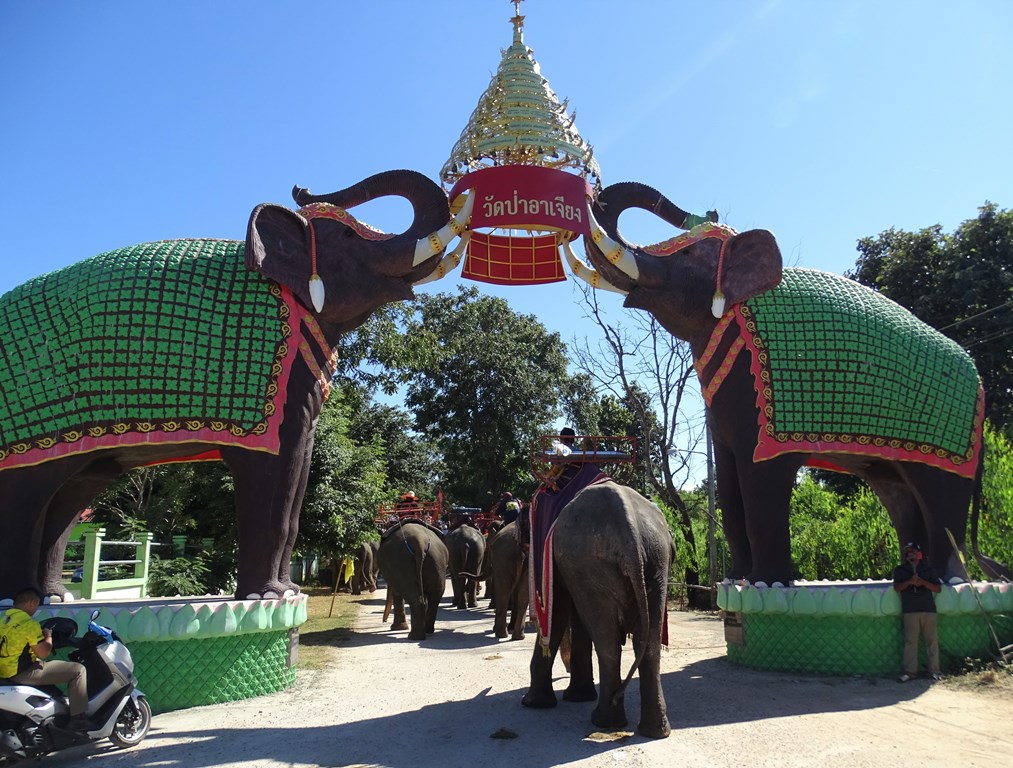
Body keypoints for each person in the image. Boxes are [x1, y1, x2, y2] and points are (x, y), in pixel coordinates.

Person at [0, 587, 90, 730]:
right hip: (22, 672)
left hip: (4, 672)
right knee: (78, 670)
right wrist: (48, 635)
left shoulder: (3, 621)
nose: (35, 609)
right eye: (36, 605)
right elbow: (43, 653)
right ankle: (78, 719)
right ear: (31, 603)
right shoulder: (28, 624)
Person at [892, 542, 943, 682]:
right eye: (908, 552)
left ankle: (934, 670)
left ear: (919, 554)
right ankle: (910, 672)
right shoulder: (900, 570)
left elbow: (938, 589)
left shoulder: (928, 569)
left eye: (913, 552)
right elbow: (897, 588)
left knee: (931, 641)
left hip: (928, 609)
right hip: (910, 610)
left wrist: (922, 582)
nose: (910, 554)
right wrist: (909, 582)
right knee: (910, 641)